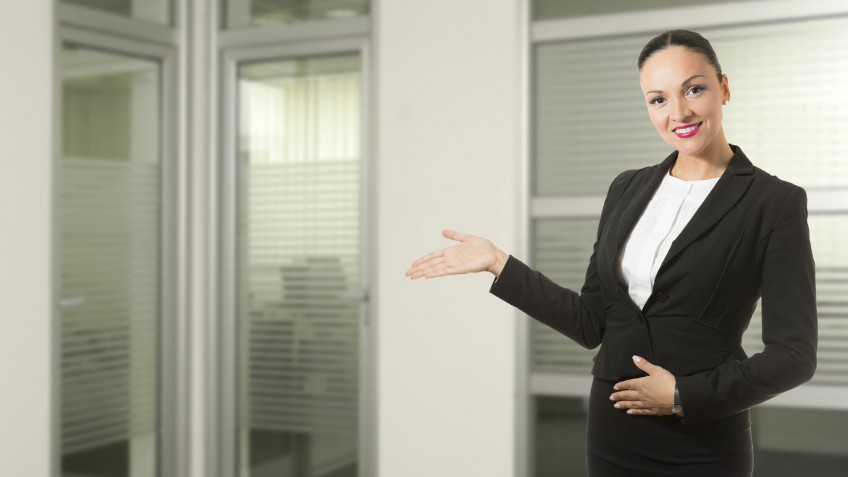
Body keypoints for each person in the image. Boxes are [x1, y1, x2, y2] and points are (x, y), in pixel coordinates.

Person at [405, 29, 817, 477]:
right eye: (657, 99)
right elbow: (591, 322)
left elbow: (793, 356)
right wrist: (498, 263)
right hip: (612, 431)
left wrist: (683, 394)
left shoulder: (773, 202)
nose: (678, 112)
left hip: (703, 439)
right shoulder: (628, 188)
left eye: (694, 89)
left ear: (724, 87)